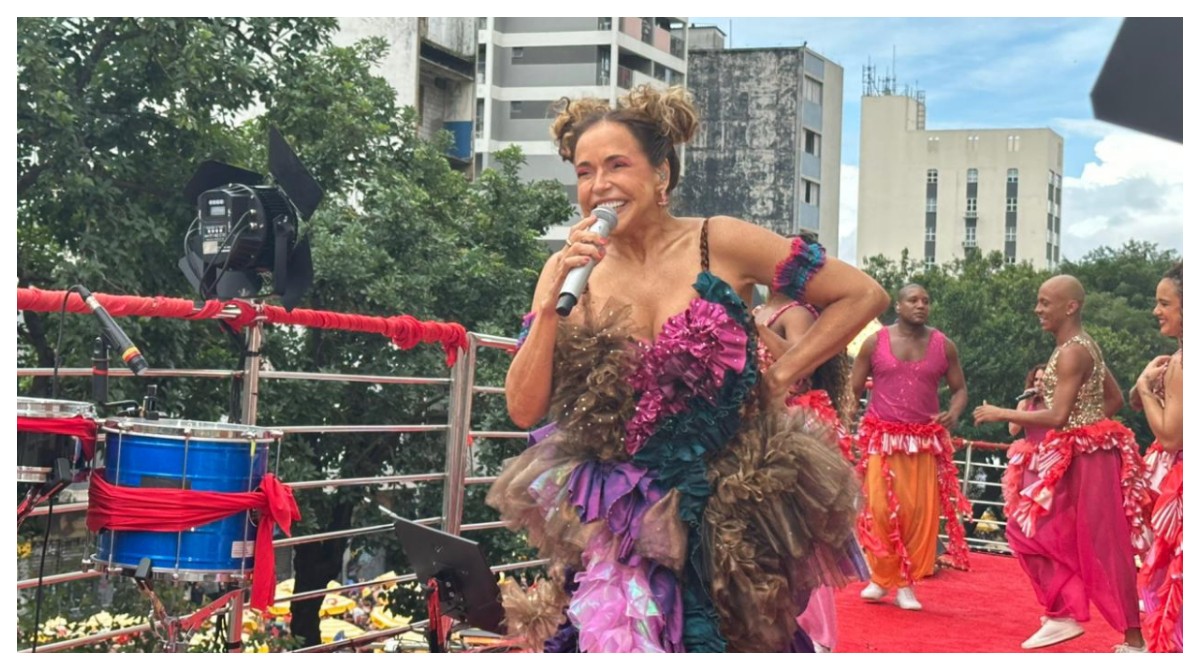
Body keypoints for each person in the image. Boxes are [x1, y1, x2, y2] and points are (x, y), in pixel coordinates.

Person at [487, 84, 889, 653]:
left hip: (737, 505)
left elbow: (861, 295)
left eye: (616, 165)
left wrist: (779, 376)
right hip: (624, 517)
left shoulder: (717, 241)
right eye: (584, 172)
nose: (598, 185)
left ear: (661, 176)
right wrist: (550, 298)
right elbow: (523, 407)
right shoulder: (569, 271)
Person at [973, 275, 1151, 652]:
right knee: (1050, 535)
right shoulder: (1081, 346)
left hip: (1086, 459)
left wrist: (999, 412)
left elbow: (1056, 417)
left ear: (1070, 306)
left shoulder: (1072, 351)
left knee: (1075, 539)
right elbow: (1114, 399)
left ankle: (1112, 633)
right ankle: (1066, 614)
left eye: (1044, 302)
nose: (1038, 309)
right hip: (1083, 455)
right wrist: (1085, 427)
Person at [849, 283, 970, 611]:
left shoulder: (944, 345)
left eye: (926, 301)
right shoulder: (875, 342)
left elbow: (960, 390)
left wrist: (954, 413)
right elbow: (854, 388)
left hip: (924, 440)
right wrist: (844, 431)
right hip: (882, 439)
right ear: (898, 306)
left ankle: (905, 583)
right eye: (913, 300)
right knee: (879, 510)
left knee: (918, 514)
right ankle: (880, 578)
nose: (921, 305)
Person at [752, 288, 859, 653]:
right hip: (761, 425)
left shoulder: (796, 313)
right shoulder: (760, 308)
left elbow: (803, 365)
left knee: (801, 539)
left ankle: (815, 635)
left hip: (793, 425)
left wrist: (757, 330)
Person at [1130, 261, 1182, 653]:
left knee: (1168, 579)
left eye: (1164, 303)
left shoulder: (1184, 360)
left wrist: (1145, 389)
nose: (1155, 311)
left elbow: (1169, 436)